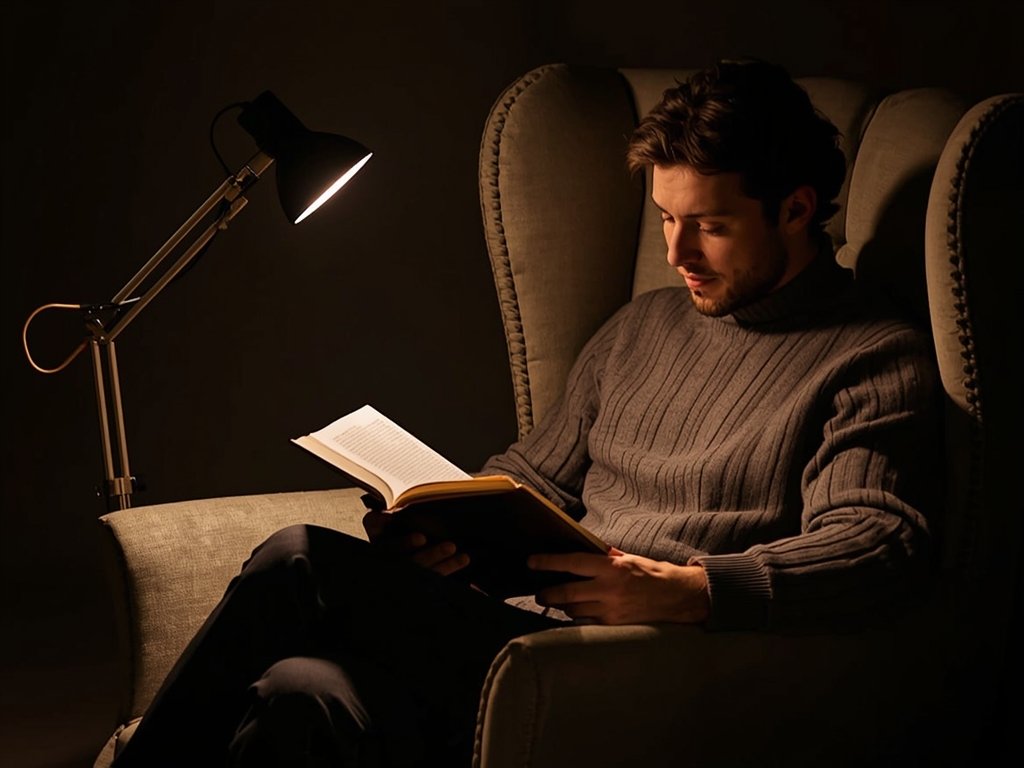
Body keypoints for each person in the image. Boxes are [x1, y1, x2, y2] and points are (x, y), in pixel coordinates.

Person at [113, 58, 940, 768]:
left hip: (638, 665)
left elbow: (878, 545)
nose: (676, 256)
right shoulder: (642, 329)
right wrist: (437, 526)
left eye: (710, 228)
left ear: (796, 209)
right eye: (665, 220)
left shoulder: (869, 355)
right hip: (519, 640)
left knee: (296, 558)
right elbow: (528, 476)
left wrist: (685, 591)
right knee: (300, 692)